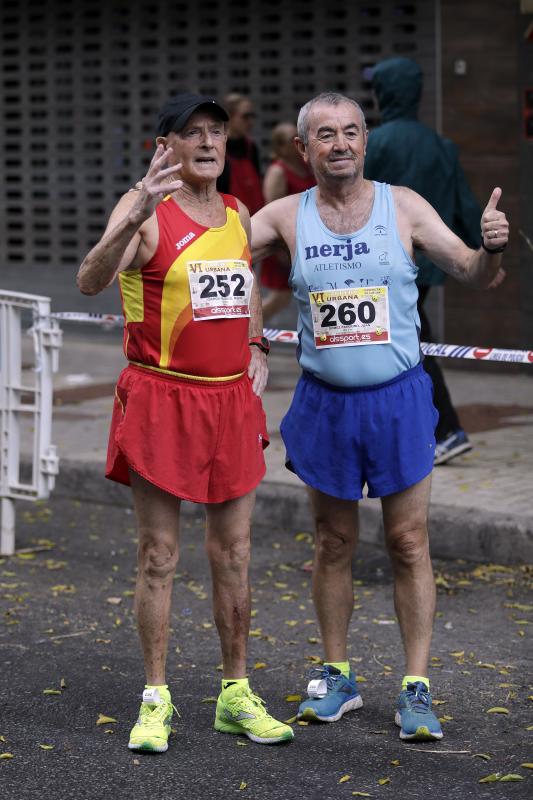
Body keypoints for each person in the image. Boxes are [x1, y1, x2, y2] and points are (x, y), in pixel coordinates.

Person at [251, 92, 508, 741]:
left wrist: (492, 247)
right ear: (303, 149)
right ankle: (337, 678)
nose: (338, 144)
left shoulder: (403, 206)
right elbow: (214, 253)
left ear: (364, 142)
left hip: (396, 400)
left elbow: (473, 273)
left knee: (407, 542)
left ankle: (415, 690)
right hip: (323, 404)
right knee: (332, 543)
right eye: (324, 135)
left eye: (349, 133)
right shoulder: (283, 213)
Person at [77, 93, 293, 752]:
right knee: (159, 556)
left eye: (215, 133)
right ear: (163, 148)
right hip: (162, 396)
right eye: (190, 133)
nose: (206, 143)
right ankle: (155, 698)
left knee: (233, 553)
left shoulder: (236, 212)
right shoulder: (143, 208)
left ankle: (234, 694)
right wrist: (131, 215)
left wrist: (256, 345)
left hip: (228, 402)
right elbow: (89, 279)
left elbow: (245, 287)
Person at [364, 57, 495, 465]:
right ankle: (430, 429)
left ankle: (446, 428)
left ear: (383, 93)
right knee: (409, 343)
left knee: (407, 348)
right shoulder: (441, 145)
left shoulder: (375, 144)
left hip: (376, 265)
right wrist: (486, 255)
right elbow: (466, 203)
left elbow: (351, 200)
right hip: (426, 264)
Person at [261, 122, 316, 322]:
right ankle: (243, 331)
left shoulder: (306, 166)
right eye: (291, 139)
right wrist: (283, 247)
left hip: (308, 240)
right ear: (280, 147)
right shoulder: (278, 171)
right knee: (280, 298)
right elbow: (272, 211)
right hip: (286, 243)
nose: (298, 142)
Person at [217, 93, 264, 217]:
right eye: (245, 116)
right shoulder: (218, 149)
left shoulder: (251, 147)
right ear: (229, 117)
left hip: (256, 217)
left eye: (252, 116)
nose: (250, 122)